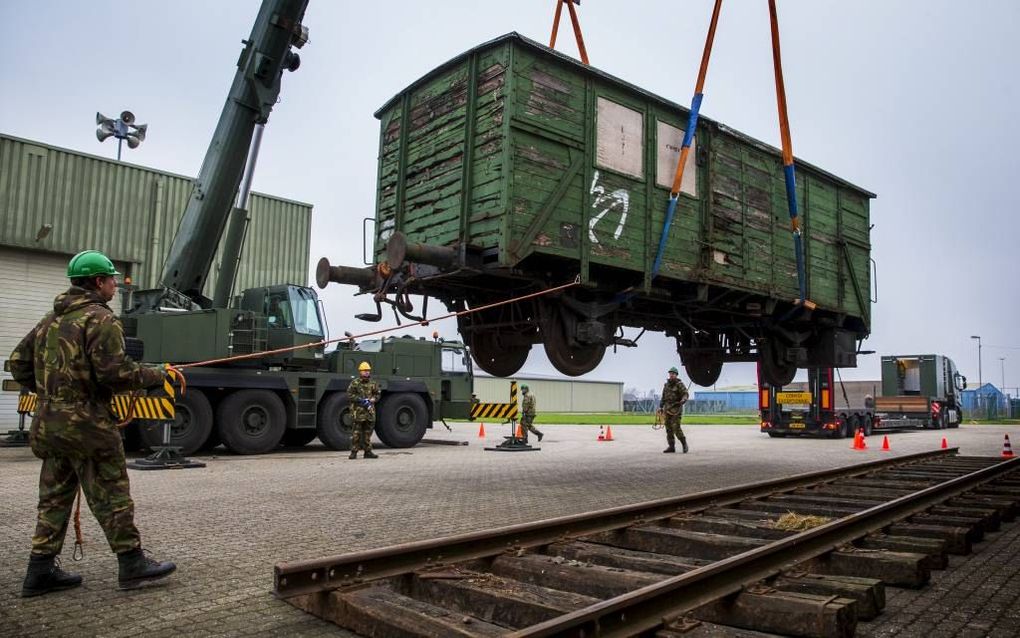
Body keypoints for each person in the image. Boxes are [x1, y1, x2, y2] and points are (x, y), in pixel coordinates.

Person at [9, 250, 177, 597]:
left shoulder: (48, 321)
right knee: (112, 494)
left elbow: (17, 363)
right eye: (112, 278)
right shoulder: (100, 319)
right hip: (87, 425)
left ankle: (39, 572)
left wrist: (50, 391)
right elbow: (114, 373)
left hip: (49, 424)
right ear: (98, 282)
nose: (116, 284)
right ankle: (132, 564)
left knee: (54, 498)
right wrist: (156, 375)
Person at [347, 361, 381, 459]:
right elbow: (349, 394)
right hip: (358, 412)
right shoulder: (355, 383)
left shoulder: (373, 383)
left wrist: (373, 399)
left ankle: (368, 452)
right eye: (364, 370)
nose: (366, 372)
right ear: (360, 371)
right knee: (356, 433)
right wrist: (360, 400)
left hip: (369, 412)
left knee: (368, 433)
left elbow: (377, 393)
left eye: (368, 370)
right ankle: (354, 452)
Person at [658, 366, 690, 453]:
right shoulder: (666, 385)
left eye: (673, 374)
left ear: (676, 375)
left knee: (676, 428)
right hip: (667, 409)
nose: (671, 375)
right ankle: (671, 447)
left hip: (676, 409)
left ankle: (684, 444)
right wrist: (661, 406)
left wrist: (683, 400)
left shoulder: (679, 384)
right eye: (670, 374)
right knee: (668, 429)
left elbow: (685, 394)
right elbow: (663, 397)